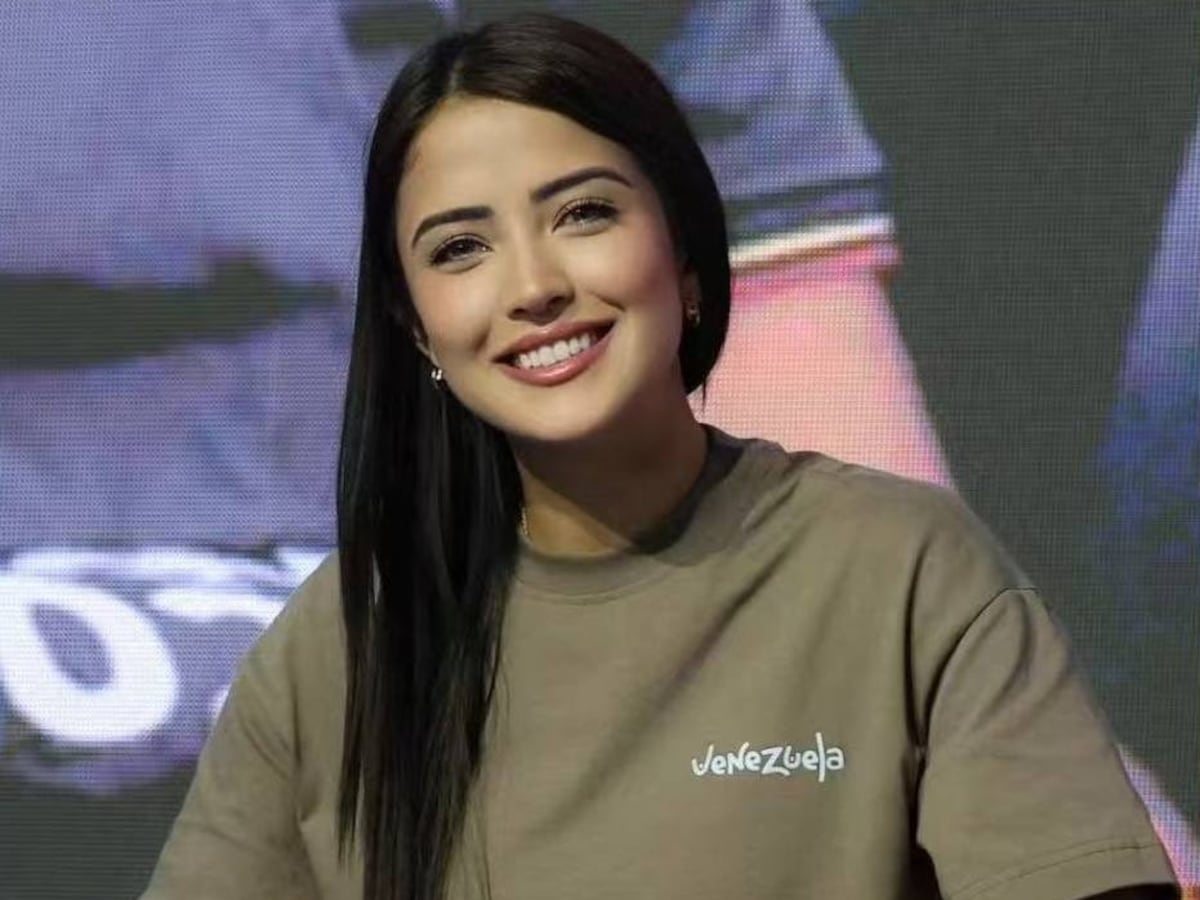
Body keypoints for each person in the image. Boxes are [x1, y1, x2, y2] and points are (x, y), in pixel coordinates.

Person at [142, 13, 1180, 900]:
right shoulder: (333, 645)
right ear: (415, 330)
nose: (533, 286)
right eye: (460, 249)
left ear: (690, 261)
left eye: (583, 215)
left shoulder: (909, 575)